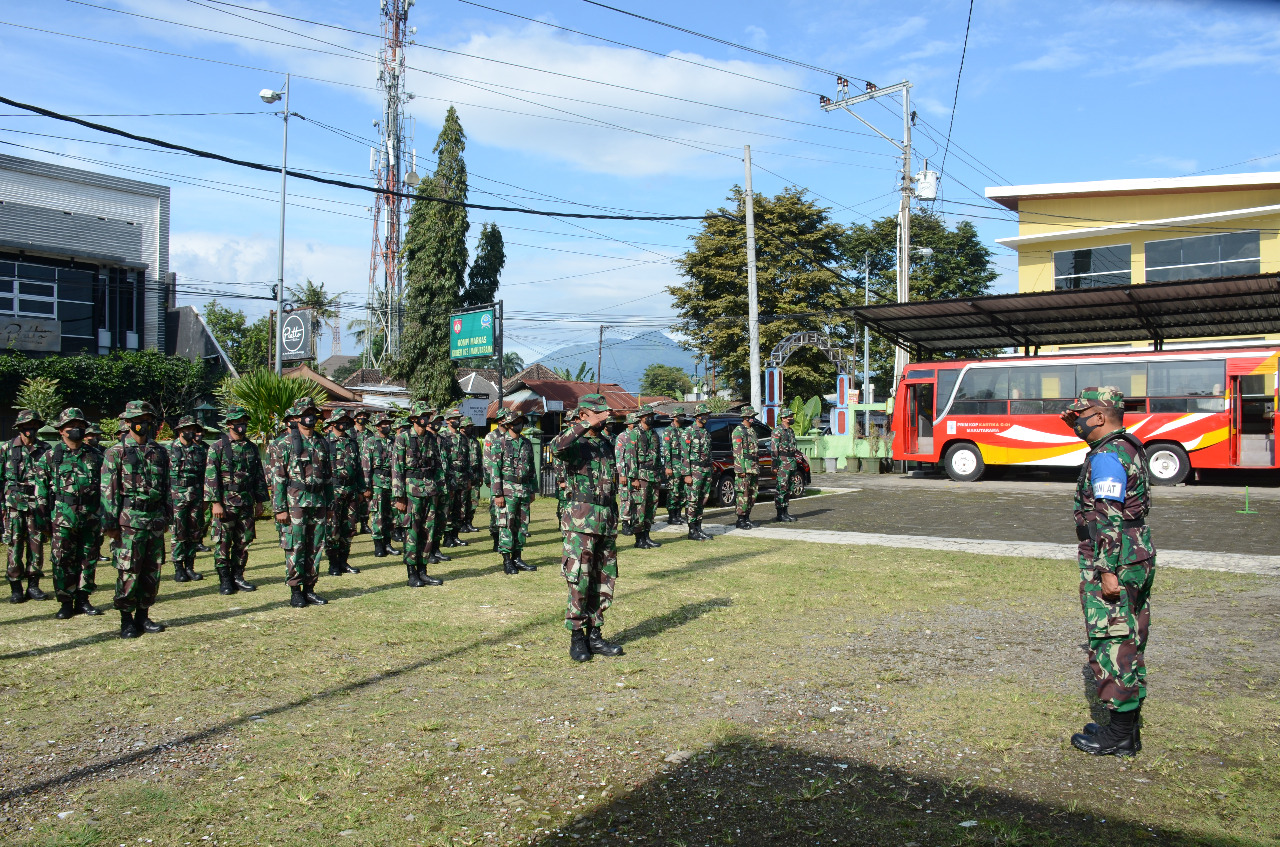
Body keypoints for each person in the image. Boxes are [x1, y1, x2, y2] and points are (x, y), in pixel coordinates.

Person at [1061, 386, 1156, 757]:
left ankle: (1117, 736)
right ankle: (1126, 730)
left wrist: (1106, 570)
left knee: (1112, 641)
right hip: (1136, 555)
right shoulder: (1128, 446)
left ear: (1100, 417)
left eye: (1081, 415)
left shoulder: (1106, 457)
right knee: (1130, 636)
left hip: (1114, 559)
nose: (1077, 422)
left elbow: (1108, 517)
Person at [550, 394, 623, 662]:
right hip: (580, 520)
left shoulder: (606, 443)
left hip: (605, 518)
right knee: (579, 578)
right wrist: (583, 426)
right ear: (583, 415)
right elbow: (556, 447)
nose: (605, 418)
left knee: (603, 578)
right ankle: (577, 637)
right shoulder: (573, 442)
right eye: (598, 413)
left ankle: (595, 634)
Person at [101, 401, 171, 638]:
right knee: (129, 571)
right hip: (128, 522)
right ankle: (126, 619)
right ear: (128, 422)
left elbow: (167, 487)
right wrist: (110, 523)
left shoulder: (160, 451)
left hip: (155, 520)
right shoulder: (115, 452)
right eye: (137, 420)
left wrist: (168, 515)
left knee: (152, 571)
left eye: (146, 419)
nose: (142, 424)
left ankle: (143, 615)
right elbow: (108, 489)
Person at [34, 408, 103, 618]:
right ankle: (65, 601)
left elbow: (106, 488)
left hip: (90, 517)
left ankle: (83, 599)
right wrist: (42, 520)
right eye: (72, 427)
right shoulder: (50, 457)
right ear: (61, 431)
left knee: (88, 558)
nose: (77, 430)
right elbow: (41, 490)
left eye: (81, 426)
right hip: (62, 518)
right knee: (62, 560)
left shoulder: (96, 456)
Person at [270, 397, 332, 608]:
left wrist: (330, 505)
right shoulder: (284, 444)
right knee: (296, 546)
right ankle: (295, 590)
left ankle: (310, 589)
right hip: (295, 502)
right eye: (306, 413)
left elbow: (328, 477)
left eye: (313, 413)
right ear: (296, 417)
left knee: (316, 546)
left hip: (319, 501)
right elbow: (278, 477)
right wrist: (279, 508)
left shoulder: (322, 442)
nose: (310, 417)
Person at [204, 405, 269, 595]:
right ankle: (225, 580)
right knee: (223, 541)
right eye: (238, 422)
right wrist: (215, 503)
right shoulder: (217, 447)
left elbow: (259, 476)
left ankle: (238, 576)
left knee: (244, 541)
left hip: (246, 502)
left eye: (244, 422)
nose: (242, 425)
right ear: (229, 424)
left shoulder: (251, 447)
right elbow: (210, 477)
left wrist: (260, 501)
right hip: (225, 503)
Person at [391, 401, 445, 587]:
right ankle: (412, 573)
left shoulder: (431, 438)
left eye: (426, 416)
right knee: (411, 532)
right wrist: (399, 497)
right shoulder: (403, 438)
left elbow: (438, 466)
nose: (425, 419)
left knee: (427, 532)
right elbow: (397, 469)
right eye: (422, 416)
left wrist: (440, 490)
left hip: (430, 490)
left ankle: (423, 571)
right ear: (413, 418)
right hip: (410, 492)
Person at [3, 409, 50, 603]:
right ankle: (15, 588)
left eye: (33, 426)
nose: (29, 429)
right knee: (14, 546)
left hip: (37, 505)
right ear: (19, 428)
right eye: (25, 426)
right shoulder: (7, 448)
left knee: (36, 545)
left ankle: (33, 586)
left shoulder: (46, 449)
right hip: (13, 505)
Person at [492, 411, 537, 574]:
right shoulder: (500, 442)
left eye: (522, 422)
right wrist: (498, 494)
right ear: (509, 424)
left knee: (522, 524)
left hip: (524, 489)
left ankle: (517, 558)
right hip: (507, 489)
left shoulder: (526, 443)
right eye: (517, 422)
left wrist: (533, 489)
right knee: (506, 524)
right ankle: (507, 560)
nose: (520, 425)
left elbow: (532, 469)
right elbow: (495, 470)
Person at [168, 415, 209, 582]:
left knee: (194, 532)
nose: (191, 432)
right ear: (179, 431)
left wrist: (206, 497)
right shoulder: (169, 450)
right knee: (178, 532)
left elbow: (206, 475)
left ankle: (190, 567)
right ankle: (178, 568)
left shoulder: (200, 450)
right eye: (187, 429)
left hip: (196, 495)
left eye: (193, 429)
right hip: (176, 496)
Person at [324, 408, 364, 577]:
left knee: (349, 528)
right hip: (333, 490)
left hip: (351, 490)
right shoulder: (325, 442)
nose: (344, 423)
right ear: (333, 423)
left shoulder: (352, 442)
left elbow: (359, 468)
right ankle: (333, 563)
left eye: (345, 421)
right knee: (333, 528)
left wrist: (362, 489)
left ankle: (343, 561)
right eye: (340, 420)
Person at [362, 412, 398, 558]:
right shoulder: (370, 442)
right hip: (376, 483)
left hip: (391, 483)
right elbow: (366, 466)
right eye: (383, 424)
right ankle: (378, 545)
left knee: (391, 515)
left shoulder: (394, 441)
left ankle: (388, 543)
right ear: (377, 426)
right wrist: (367, 487)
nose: (387, 426)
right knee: (378, 515)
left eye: (388, 423)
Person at [631, 405, 662, 549]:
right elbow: (631, 457)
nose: (650, 418)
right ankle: (639, 538)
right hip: (641, 475)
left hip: (654, 475)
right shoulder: (635, 434)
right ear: (641, 417)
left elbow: (658, 455)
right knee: (640, 508)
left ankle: (647, 536)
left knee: (652, 507)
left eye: (652, 415)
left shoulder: (654, 433)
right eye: (648, 415)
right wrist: (634, 478)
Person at [685, 403, 715, 541]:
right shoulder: (689, 432)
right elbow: (684, 455)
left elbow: (709, 453)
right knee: (693, 500)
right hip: (694, 471)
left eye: (707, 415)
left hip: (706, 470)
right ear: (697, 416)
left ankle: (699, 527)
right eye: (704, 415)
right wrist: (686, 474)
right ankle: (692, 530)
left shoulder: (706, 432)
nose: (706, 417)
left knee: (703, 499)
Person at [440, 409, 470, 548]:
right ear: (447, 420)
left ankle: (455, 535)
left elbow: (467, 459)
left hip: (462, 477)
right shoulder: (442, 436)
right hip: (449, 477)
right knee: (448, 508)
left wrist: (469, 478)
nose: (457, 420)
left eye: (458, 418)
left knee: (460, 508)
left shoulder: (463, 438)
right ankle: (447, 537)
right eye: (454, 418)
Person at [482, 411, 508, 551]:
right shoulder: (491, 436)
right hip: (495, 478)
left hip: (510, 480)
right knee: (495, 510)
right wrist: (488, 479)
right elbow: (487, 460)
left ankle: (507, 539)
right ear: (499, 420)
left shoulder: (511, 436)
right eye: (504, 418)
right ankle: (495, 537)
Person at [771, 408, 802, 523]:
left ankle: (785, 511)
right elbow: (774, 449)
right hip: (782, 463)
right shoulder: (777, 431)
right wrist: (774, 465)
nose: (792, 418)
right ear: (783, 418)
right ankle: (780, 513)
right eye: (790, 416)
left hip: (791, 462)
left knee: (789, 488)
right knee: (781, 488)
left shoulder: (790, 431)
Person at [731, 406, 760, 529]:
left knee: (753, 493)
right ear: (745, 417)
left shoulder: (752, 431)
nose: (753, 419)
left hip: (753, 467)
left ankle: (747, 517)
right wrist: (740, 470)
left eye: (754, 416)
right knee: (743, 494)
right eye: (751, 416)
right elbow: (738, 452)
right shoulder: (738, 431)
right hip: (744, 467)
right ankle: (741, 519)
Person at [83, 424, 109, 563]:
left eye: (97, 435)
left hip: (99, 495)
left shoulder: (103, 452)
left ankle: (97, 552)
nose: (95, 438)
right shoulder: (82, 451)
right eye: (91, 435)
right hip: (83, 497)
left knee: (98, 527)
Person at [660, 407, 689, 526]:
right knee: (673, 491)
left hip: (683, 466)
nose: (682, 417)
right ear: (675, 417)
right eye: (680, 415)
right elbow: (666, 450)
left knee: (682, 492)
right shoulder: (668, 431)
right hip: (673, 464)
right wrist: (668, 466)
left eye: (683, 415)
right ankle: (672, 516)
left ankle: (678, 514)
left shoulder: (684, 430)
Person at [613, 413, 638, 536]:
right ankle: (625, 523)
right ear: (628, 424)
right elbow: (619, 457)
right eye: (634, 423)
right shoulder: (622, 437)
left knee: (636, 498)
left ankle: (634, 522)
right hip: (626, 473)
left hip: (637, 473)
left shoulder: (638, 435)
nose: (636, 425)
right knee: (626, 498)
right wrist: (622, 474)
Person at [352, 409, 373, 535]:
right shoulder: (350, 432)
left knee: (366, 497)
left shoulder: (370, 434)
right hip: (353, 468)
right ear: (355, 418)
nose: (362, 418)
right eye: (360, 416)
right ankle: (352, 524)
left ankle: (364, 524)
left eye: (364, 416)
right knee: (353, 498)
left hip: (366, 469)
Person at [463, 415, 484, 533]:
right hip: (464, 476)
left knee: (474, 501)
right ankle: (461, 523)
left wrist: (481, 475)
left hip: (475, 475)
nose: (470, 428)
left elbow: (480, 458)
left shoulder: (475, 441)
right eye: (468, 426)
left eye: (471, 426)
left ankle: (469, 522)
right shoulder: (460, 440)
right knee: (463, 501)